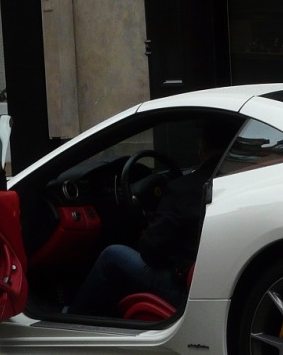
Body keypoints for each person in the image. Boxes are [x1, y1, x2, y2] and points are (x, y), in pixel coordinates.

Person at [67, 120, 236, 318]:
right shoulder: (238, 180)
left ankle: (72, 317)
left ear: (202, 147)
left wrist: (149, 232)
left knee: (111, 256)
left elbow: (150, 252)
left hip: (186, 290)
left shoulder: (183, 188)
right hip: (223, 285)